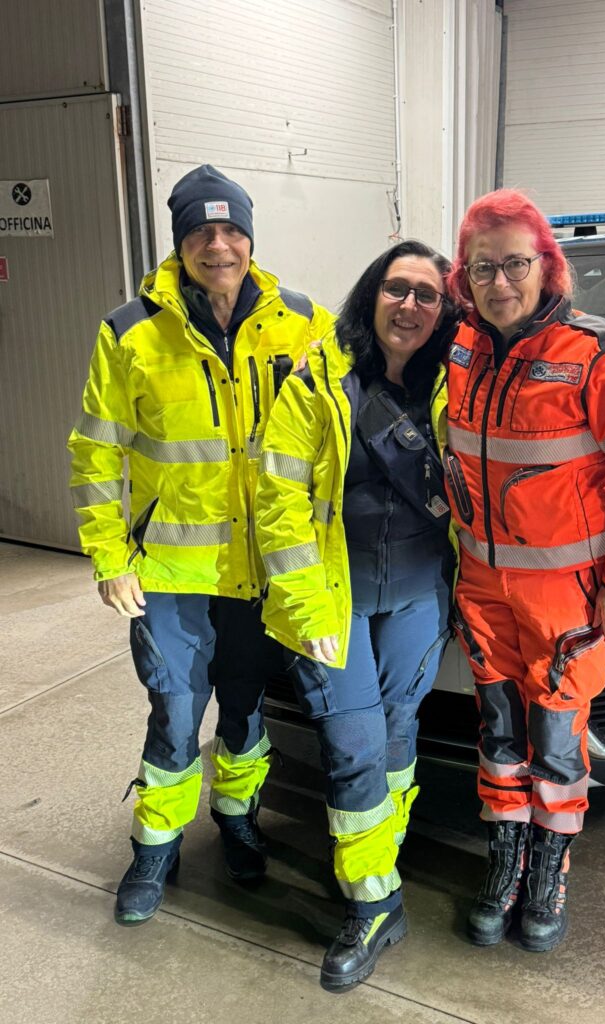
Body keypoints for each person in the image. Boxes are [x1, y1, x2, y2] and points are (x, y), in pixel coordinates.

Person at [68, 164, 335, 926]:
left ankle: (237, 818)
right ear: (180, 242)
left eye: (231, 230)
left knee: (245, 708)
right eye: (200, 232)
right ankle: (156, 846)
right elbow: (95, 452)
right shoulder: (129, 332)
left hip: (260, 571)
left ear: (250, 237)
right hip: (170, 572)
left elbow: (341, 423)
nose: (218, 246)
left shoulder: (301, 322)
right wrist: (109, 557)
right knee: (177, 712)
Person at [444, 189, 605, 952]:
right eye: (483, 267)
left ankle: (550, 867)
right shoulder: (462, 345)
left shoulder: (597, 354)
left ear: (546, 263)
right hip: (482, 584)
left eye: (515, 263)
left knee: (557, 735)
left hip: (566, 595)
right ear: (465, 275)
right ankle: (506, 857)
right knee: (500, 729)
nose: (500, 282)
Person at [255, 240, 459, 991]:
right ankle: (372, 902)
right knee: (354, 743)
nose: (409, 305)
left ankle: (378, 867)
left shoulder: (454, 384)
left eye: (427, 295)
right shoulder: (319, 380)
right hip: (332, 601)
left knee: (398, 732)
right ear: (371, 294)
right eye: (396, 288)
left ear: (443, 311)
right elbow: (278, 499)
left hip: (418, 593)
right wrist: (304, 603)